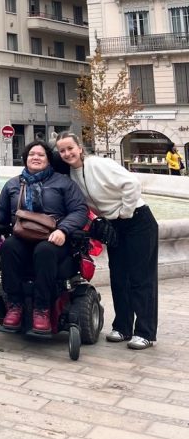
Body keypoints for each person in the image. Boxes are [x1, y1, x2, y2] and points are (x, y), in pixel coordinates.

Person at [56, 132, 159, 350]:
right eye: (62, 150)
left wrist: (124, 213)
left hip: (137, 220)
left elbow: (132, 183)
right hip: (115, 225)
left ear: (80, 148)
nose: (67, 153)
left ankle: (145, 332)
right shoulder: (71, 175)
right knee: (119, 276)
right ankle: (122, 327)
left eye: (70, 148)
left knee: (141, 278)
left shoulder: (99, 164)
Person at [0, 140, 88, 333]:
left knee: (44, 250)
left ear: (48, 160)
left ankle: (42, 309)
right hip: (22, 236)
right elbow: (1, 209)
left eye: (40, 155)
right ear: (26, 159)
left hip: (53, 238)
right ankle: (15, 305)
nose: (35, 157)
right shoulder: (13, 184)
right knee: (9, 247)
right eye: (31, 154)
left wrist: (64, 230)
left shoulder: (63, 183)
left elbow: (79, 210)